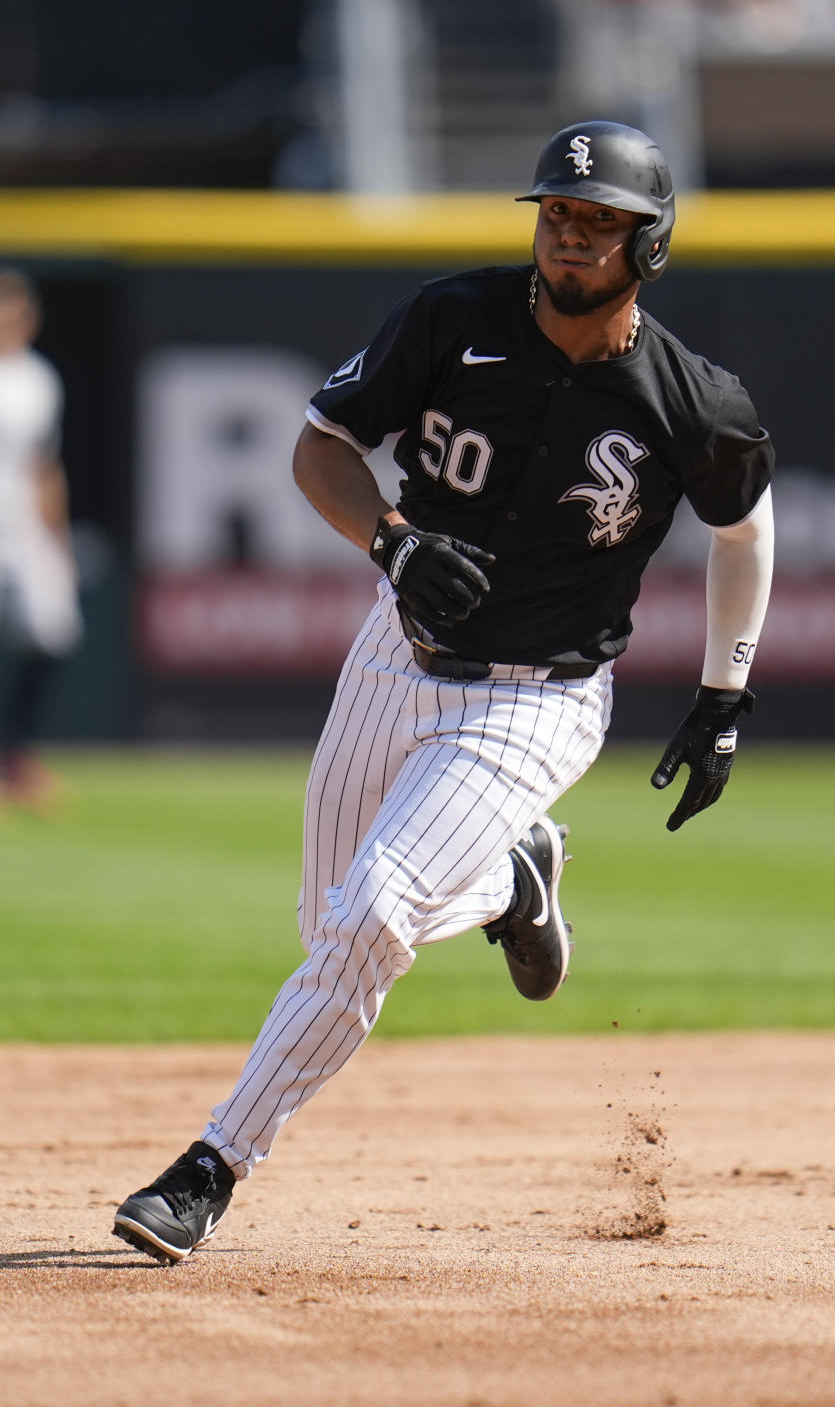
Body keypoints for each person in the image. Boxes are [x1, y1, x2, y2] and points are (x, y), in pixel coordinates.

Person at [112, 120, 775, 1265]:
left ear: (648, 246)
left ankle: (208, 1169)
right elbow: (320, 448)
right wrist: (392, 542)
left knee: (371, 919)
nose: (570, 239)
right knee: (333, 937)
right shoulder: (451, 319)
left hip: (537, 699)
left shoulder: (690, 400)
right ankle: (511, 881)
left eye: (599, 224)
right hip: (393, 657)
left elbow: (744, 531)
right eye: (558, 217)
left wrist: (724, 696)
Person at [0, 269, 82, 812]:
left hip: (22, 526)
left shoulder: (38, 378)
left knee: (54, 632)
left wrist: (58, 540)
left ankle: (16, 757)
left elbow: (46, 466)